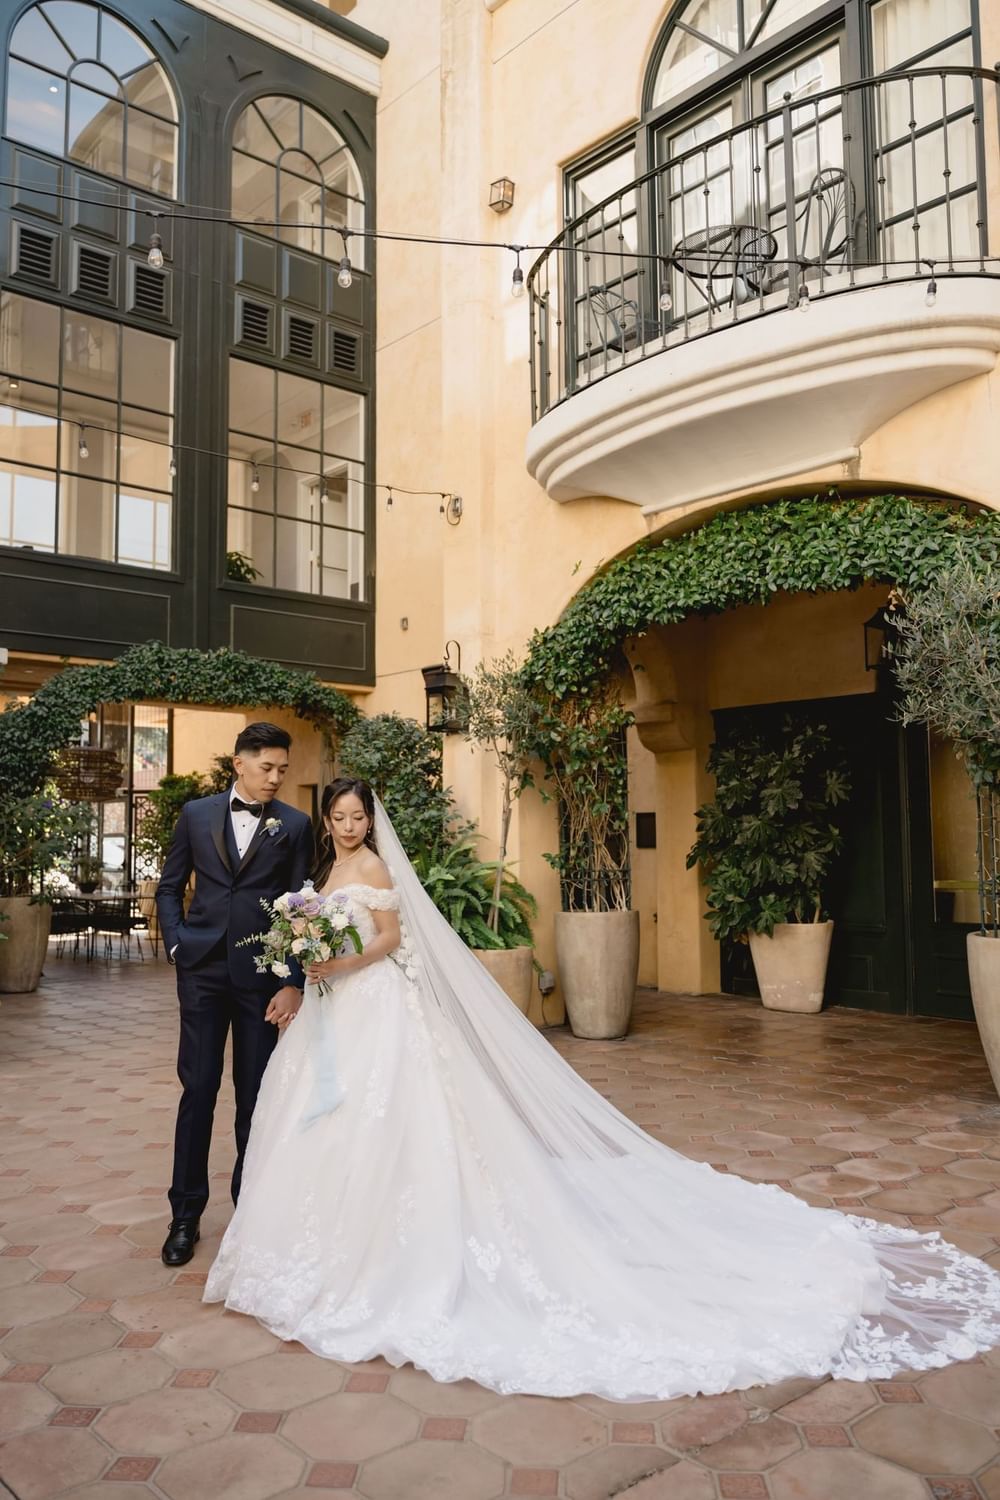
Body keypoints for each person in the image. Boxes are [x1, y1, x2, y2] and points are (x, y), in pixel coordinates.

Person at [205, 777, 1000, 1400]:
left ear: (370, 822)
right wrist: (307, 962)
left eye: (355, 817)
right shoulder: (325, 867)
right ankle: (327, 1244)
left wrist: (338, 962)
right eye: (338, 817)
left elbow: (388, 938)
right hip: (330, 1012)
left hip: (372, 1002)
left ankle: (391, 1252)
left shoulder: (374, 866)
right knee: (328, 1124)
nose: (347, 827)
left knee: (397, 1124)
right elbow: (318, 927)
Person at [156, 722, 314, 1268]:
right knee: (197, 1091)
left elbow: (301, 904)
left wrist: (293, 979)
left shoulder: (295, 825)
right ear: (238, 763)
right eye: (266, 768)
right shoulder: (196, 815)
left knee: (256, 1098)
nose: (275, 778)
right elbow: (169, 885)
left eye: (282, 770)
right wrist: (175, 943)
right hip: (200, 972)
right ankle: (185, 1216)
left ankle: (248, 1211)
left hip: (263, 982)